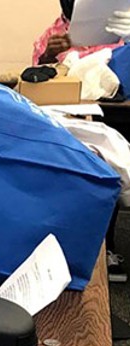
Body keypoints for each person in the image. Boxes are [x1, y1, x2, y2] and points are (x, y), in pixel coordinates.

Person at [33, 0, 129, 282]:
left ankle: (106, 247)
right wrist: (48, 57)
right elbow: (37, 77)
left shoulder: (115, 27)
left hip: (114, 111)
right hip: (72, 115)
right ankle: (72, 246)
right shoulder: (54, 33)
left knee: (111, 170)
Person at [33, 0, 130, 65]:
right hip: (70, 93)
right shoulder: (52, 36)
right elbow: (34, 80)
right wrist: (48, 56)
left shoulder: (122, 26)